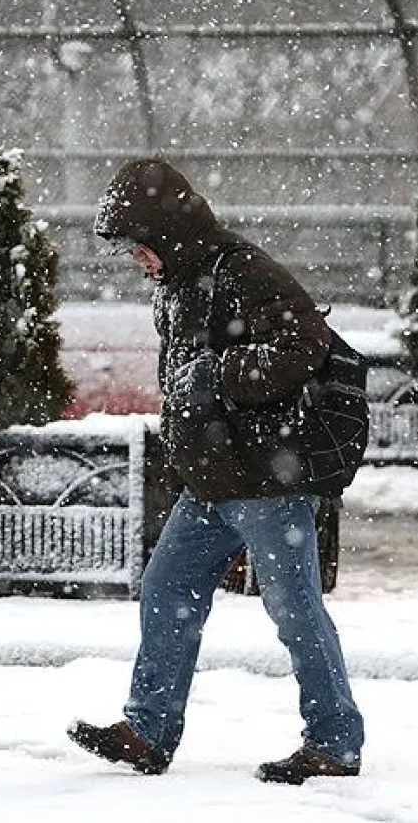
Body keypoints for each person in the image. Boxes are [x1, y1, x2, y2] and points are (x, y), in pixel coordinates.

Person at [67, 159, 364, 785]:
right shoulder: (177, 282)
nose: (135, 261)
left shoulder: (244, 270)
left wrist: (222, 375)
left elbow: (305, 344)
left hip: (265, 480)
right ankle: (148, 731)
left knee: (294, 609)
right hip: (211, 480)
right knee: (166, 592)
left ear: (165, 236)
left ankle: (335, 741)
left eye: (139, 247)